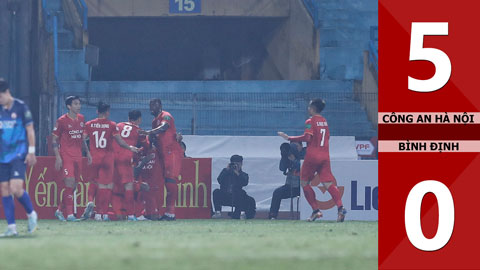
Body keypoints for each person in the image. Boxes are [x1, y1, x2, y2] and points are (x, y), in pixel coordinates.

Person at [278, 98, 347, 222]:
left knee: (304, 183)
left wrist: (289, 138)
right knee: (328, 184)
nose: (308, 108)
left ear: (313, 108)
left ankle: (316, 211)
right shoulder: (324, 122)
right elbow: (328, 137)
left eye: (309, 107)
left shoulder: (310, 121)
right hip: (325, 156)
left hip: (312, 156)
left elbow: (307, 138)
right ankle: (340, 208)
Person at [82, 102, 139, 221]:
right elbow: (119, 141)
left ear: (97, 111)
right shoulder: (112, 125)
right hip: (107, 159)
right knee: (107, 185)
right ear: (107, 112)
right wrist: (130, 148)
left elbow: (82, 140)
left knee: (94, 183)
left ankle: (93, 205)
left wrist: (87, 153)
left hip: (94, 157)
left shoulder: (89, 124)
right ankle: (103, 213)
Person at [0, 79, 38, 236]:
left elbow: (30, 130)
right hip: (2, 156)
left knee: (16, 188)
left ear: (7, 92)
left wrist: (31, 151)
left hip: (19, 154)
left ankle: (31, 214)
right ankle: (11, 228)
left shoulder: (22, 107)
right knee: (4, 189)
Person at [139, 98, 184, 221]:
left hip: (172, 152)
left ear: (160, 106)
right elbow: (154, 137)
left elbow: (164, 127)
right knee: (164, 183)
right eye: (150, 105)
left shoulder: (166, 116)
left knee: (170, 182)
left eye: (154, 105)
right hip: (162, 154)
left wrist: (148, 132)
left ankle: (171, 213)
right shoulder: (154, 122)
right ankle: (162, 212)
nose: (151, 108)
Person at [52, 96, 92, 221]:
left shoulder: (81, 118)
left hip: (78, 155)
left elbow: (81, 138)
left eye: (79, 103)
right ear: (69, 106)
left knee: (73, 186)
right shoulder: (62, 120)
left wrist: (88, 153)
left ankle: (59, 210)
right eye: (75, 104)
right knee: (69, 182)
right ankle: (69, 215)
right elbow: (54, 139)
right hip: (66, 155)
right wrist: (58, 157)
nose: (78, 106)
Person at [112, 109, 143, 221]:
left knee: (108, 186)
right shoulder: (138, 130)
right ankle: (130, 215)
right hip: (126, 159)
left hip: (113, 158)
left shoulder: (119, 125)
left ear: (129, 118)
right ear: (139, 119)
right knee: (129, 187)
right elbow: (144, 145)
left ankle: (101, 214)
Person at [212, 155, 256, 219]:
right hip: (225, 196)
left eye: (238, 164)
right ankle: (218, 212)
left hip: (237, 197)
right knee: (216, 191)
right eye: (234, 164)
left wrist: (237, 172)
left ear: (241, 164)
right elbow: (219, 180)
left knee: (249, 198)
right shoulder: (225, 171)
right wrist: (227, 170)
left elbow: (244, 182)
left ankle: (239, 214)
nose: (235, 166)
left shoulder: (243, 174)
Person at [268, 142, 304, 220]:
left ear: (301, 146)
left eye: (296, 146)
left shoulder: (305, 154)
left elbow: (303, 167)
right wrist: (284, 156)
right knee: (277, 192)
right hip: (290, 186)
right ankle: (273, 215)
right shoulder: (288, 156)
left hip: (303, 187)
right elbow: (281, 168)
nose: (294, 148)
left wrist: (294, 160)